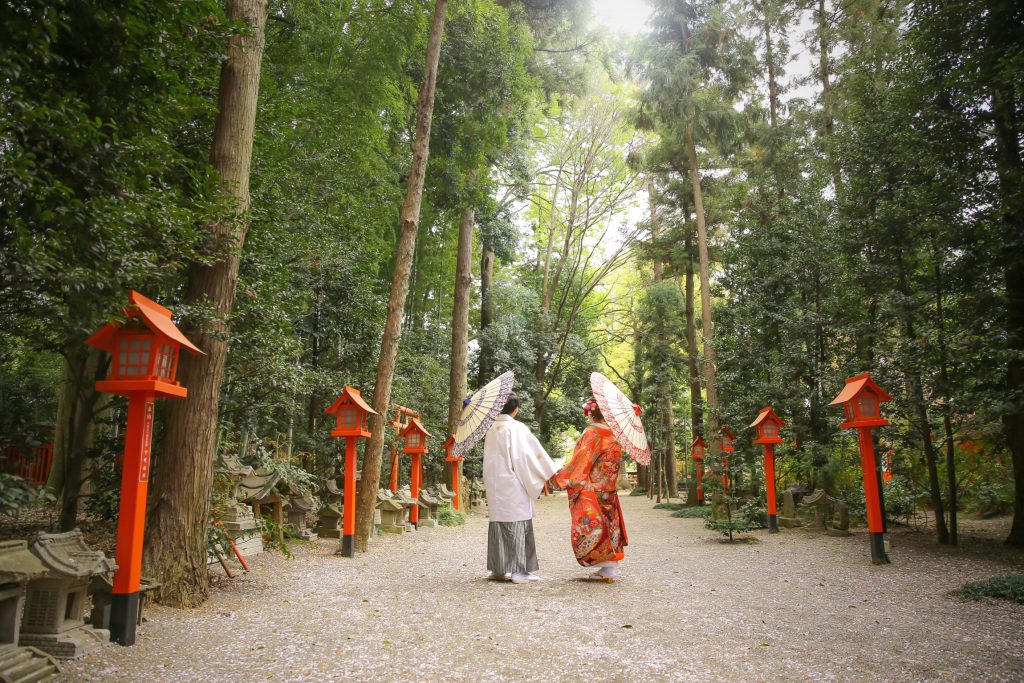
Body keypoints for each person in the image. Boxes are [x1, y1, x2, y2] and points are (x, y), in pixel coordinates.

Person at [482, 393, 558, 584]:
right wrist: (548, 472)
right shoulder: (516, 428)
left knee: (499, 523)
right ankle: (519, 572)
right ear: (515, 409)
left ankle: (498, 569)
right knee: (517, 523)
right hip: (513, 482)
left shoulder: (491, 428)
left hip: (495, 483)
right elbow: (528, 456)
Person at [553, 398, 628, 582]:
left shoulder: (592, 432)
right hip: (608, 488)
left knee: (596, 526)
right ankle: (609, 569)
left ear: (590, 413)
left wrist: (562, 477)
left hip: (593, 489)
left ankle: (607, 568)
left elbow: (581, 460)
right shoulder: (614, 434)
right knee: (610, 525)